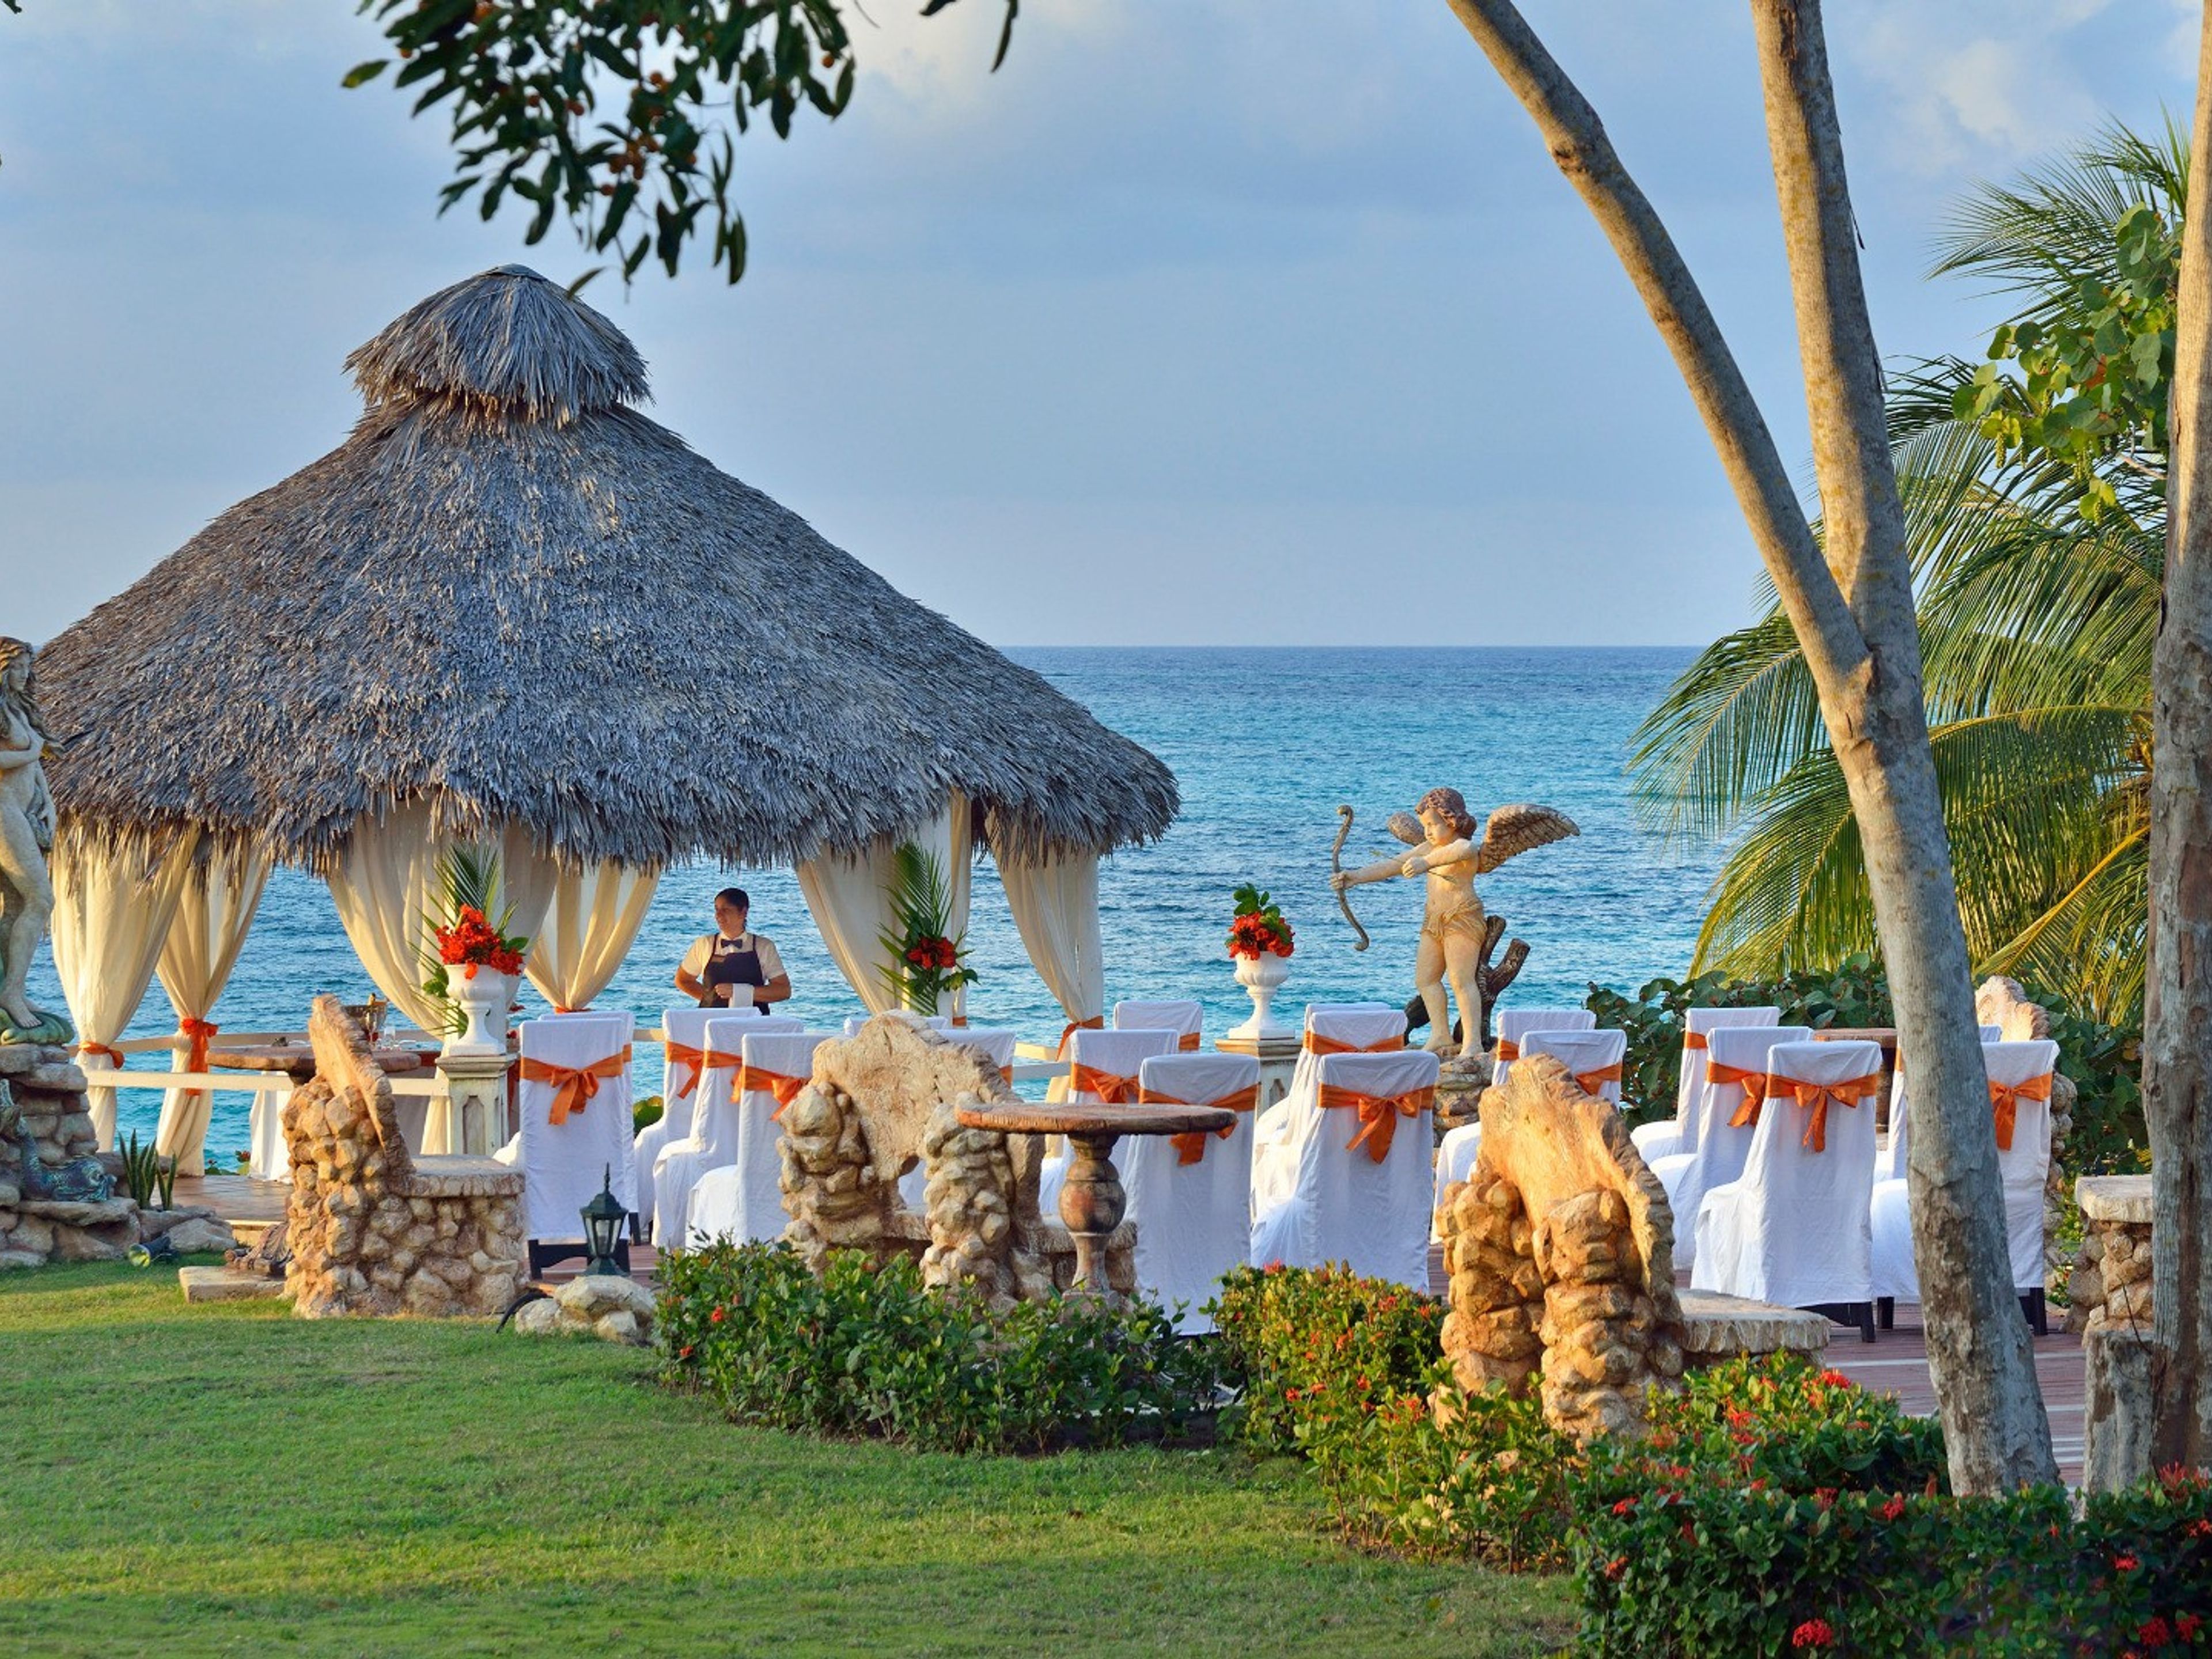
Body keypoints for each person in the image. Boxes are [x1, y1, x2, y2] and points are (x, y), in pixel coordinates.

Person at [1331, 786, 1487, 1060]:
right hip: (1433, 921)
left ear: (1452, 820)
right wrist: (1354, 877)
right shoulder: (1429, 847)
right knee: (1426, 979)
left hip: (1461, 918)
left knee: (1460, 980)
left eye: (1433, 825)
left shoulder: (1462, 847)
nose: (1427, 831)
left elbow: (1463, 849)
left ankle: (1472, 1043)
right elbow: (1392, 865)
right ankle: (1440, 1034)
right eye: (1425, 825)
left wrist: (1425, 863)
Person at [673, 888, 793, 1014]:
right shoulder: (704, 944)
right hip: (711, 1024)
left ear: (743, 912)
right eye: (717, 909)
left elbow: (783, 991)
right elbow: (683, 980)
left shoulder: (764, 946)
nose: (718, 915)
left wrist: (739, 993)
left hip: (754, 1024)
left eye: (725, 910)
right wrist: (710, 1000)